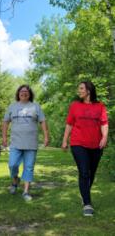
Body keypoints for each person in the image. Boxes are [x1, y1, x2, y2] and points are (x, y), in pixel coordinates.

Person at [62, 81, 108, 217]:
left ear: (89, 90)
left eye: (81, 88)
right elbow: (69, 124)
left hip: (96, 144)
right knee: (84, 172)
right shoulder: (75, 106)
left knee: (91, 172)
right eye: (79, 88)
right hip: (78, 143)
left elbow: (104, 123)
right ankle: (87, 204)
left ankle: (84, 193)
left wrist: (104, 137)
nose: (79, 91)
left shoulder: (100, 106)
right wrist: (65, 140)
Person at [2, 85, 49, 201]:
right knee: (12, 165)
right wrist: (4, 137)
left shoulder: (36, 106)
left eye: (26, 91)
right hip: (15, 142)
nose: (24, 93)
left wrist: (46, 136)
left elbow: (43, 122)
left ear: (30, 94)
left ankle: (26, 192)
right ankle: (15, 181)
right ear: (18, 94)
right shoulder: (12, 107)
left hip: (31, 143)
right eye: (21, 91)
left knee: (29, 167)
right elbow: (5, 122)